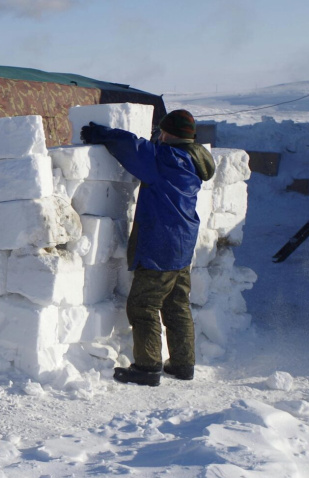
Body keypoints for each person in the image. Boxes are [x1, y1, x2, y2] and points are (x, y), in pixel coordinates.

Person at [80, 109, 215, 386]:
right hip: (182, 242)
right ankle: (182, 364)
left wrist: (100, 133)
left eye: (163, 131)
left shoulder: (166, 159)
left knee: (143, 305)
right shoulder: (193, 159)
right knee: (177, 304)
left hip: (160, 243)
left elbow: (132, 147)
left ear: (170, 133)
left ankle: (147, 367)